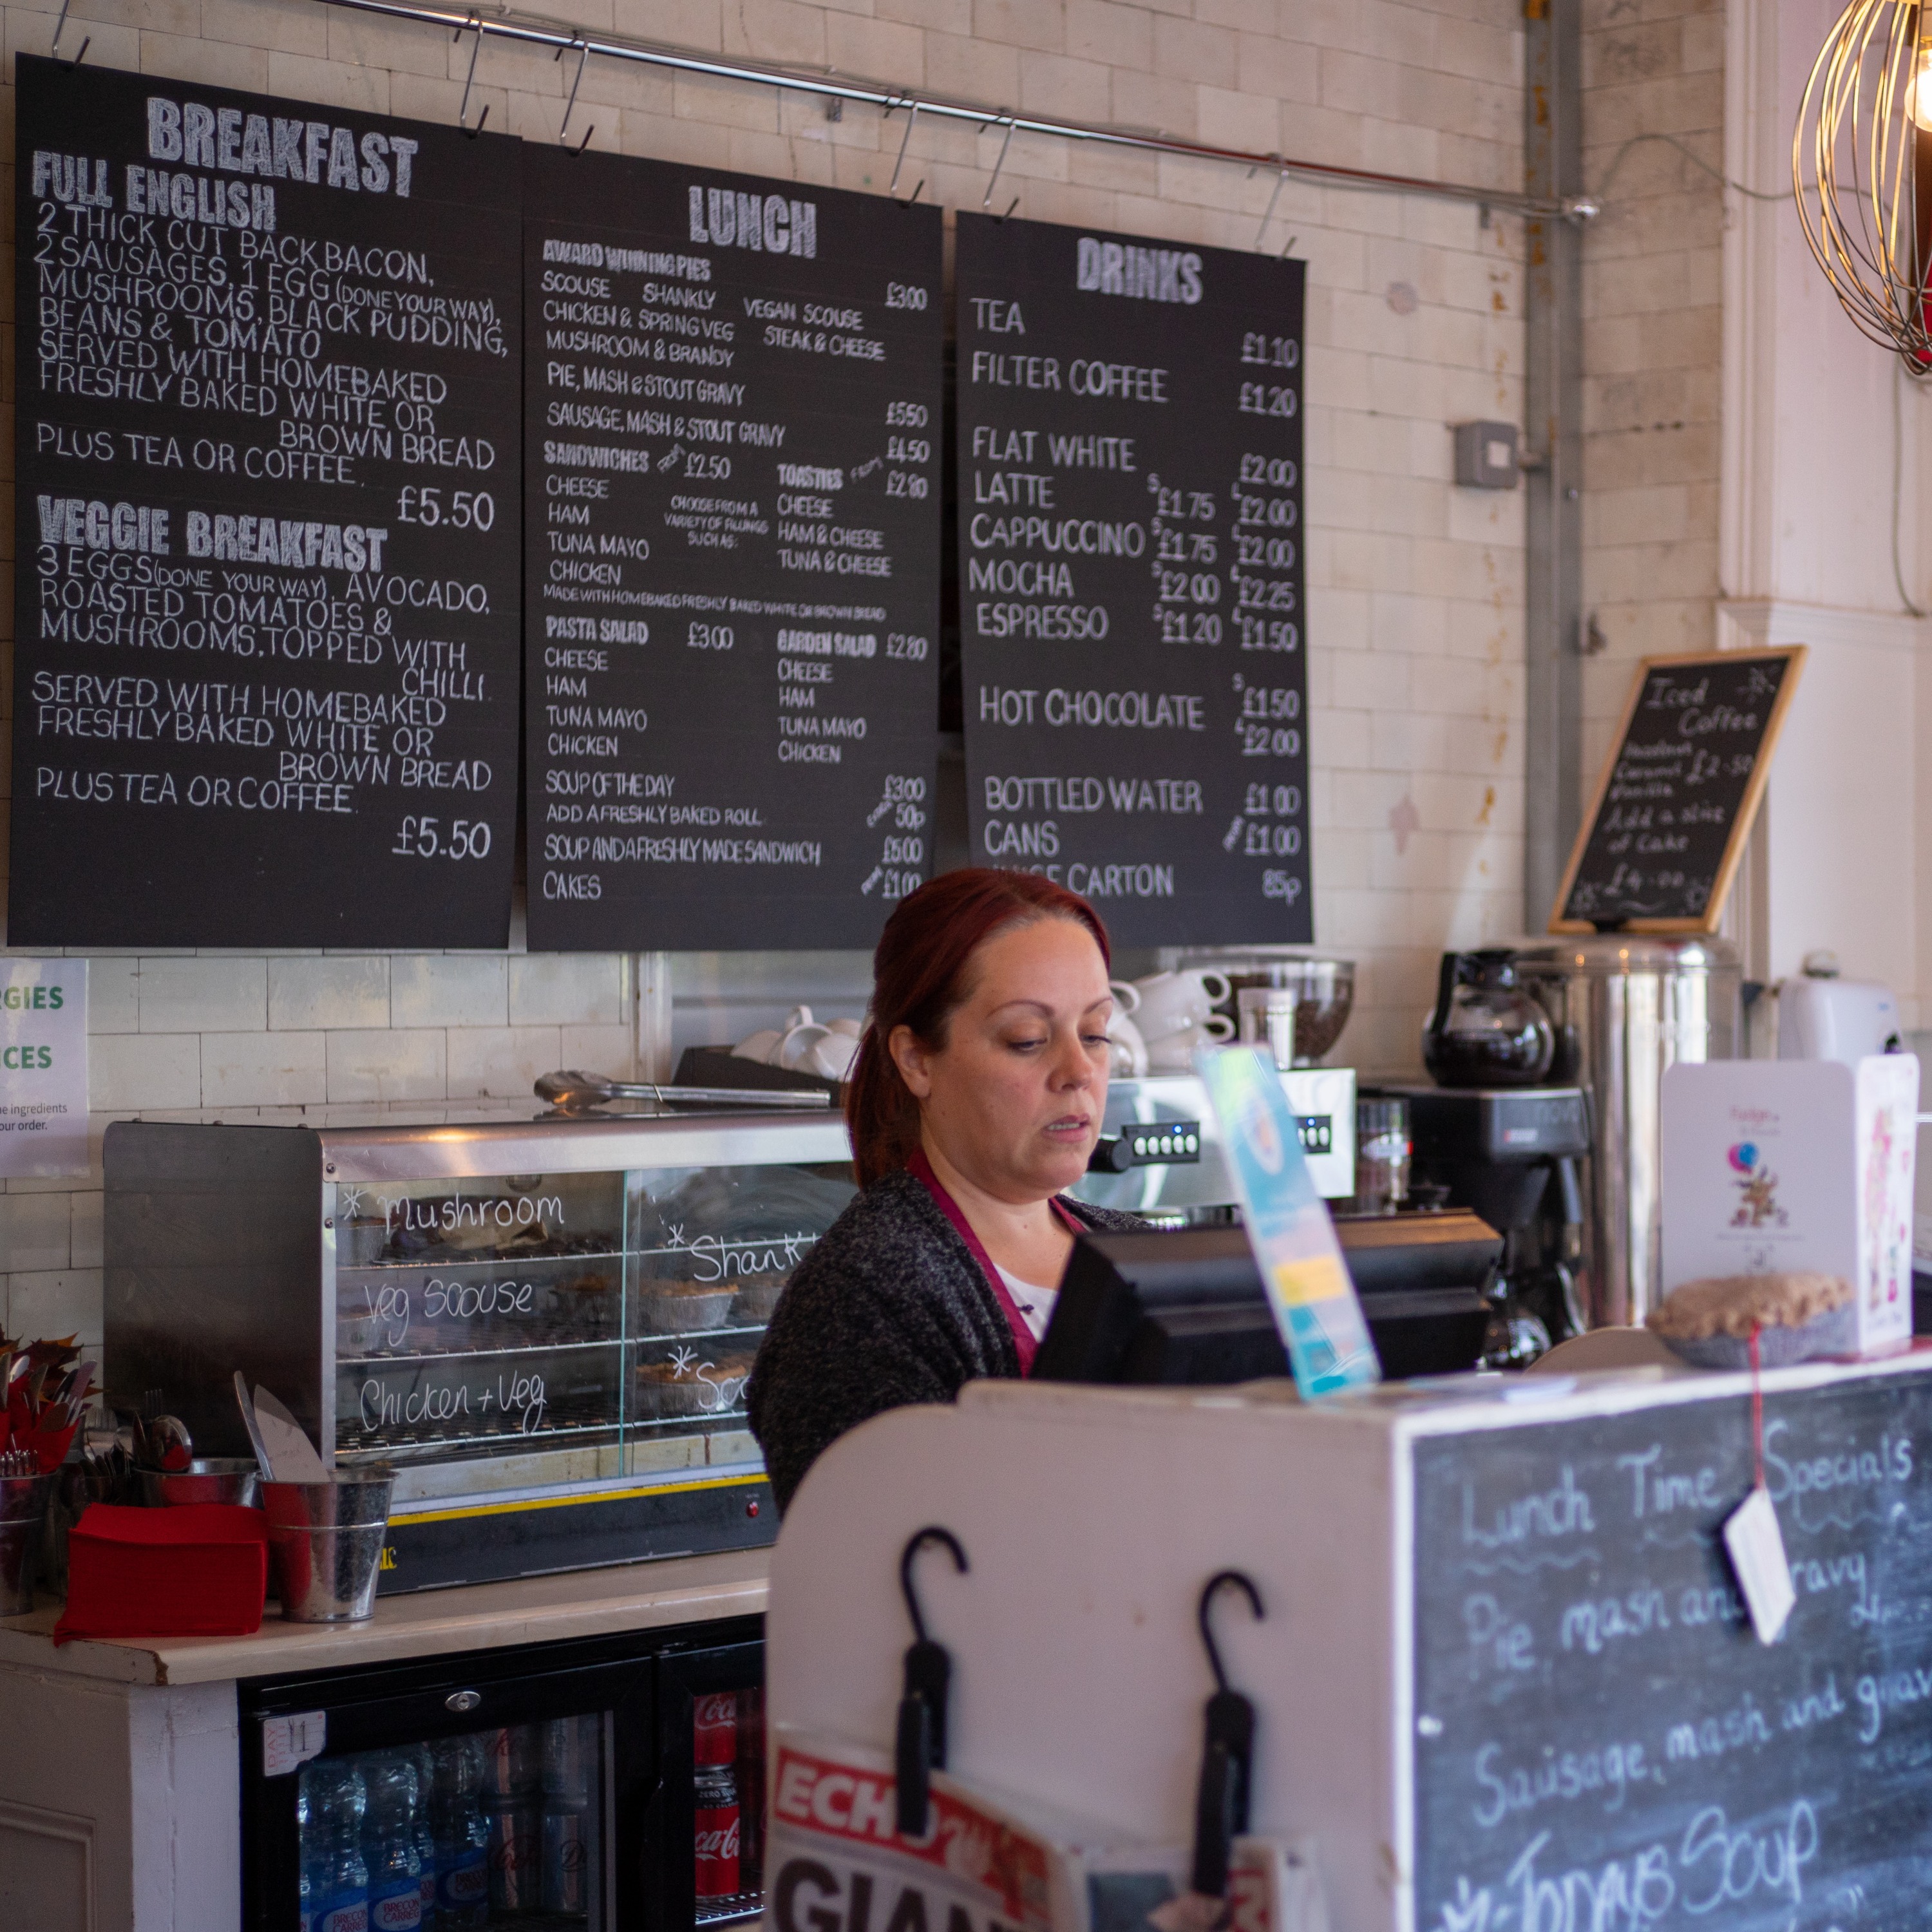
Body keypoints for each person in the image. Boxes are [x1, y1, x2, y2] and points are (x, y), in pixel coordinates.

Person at [748, 869, 1141, 1510]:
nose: (1079, 1070)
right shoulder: (864, 1298)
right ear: (916, 1060)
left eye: (1095, 1034)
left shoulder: (1141, 1256)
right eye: (1027, 1040)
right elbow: (884, 1556)